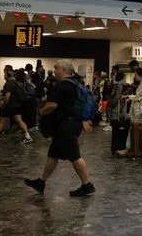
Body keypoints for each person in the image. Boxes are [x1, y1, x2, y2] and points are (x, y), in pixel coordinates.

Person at [24, 60, 95, 197]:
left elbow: (52, 105)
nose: (54, 70)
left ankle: (87, 185)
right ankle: (41, 182)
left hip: (66, 126)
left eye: (56, 68)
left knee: (75, 156)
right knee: (53, 154)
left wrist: (40, 112)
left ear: (63, 70)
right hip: (70, 124)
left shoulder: (61, 85)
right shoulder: (75, 84)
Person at [0, 66, 33, 145]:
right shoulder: (16, 82)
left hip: (9, 106)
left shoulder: (8, 84)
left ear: (8, 72)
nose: (4, 75)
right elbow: (9, 95)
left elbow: (7, 97)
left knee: (1, 122)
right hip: (17, 105)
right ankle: (28, 137)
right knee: (19, 121)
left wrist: (3, 104)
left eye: (4, 73)